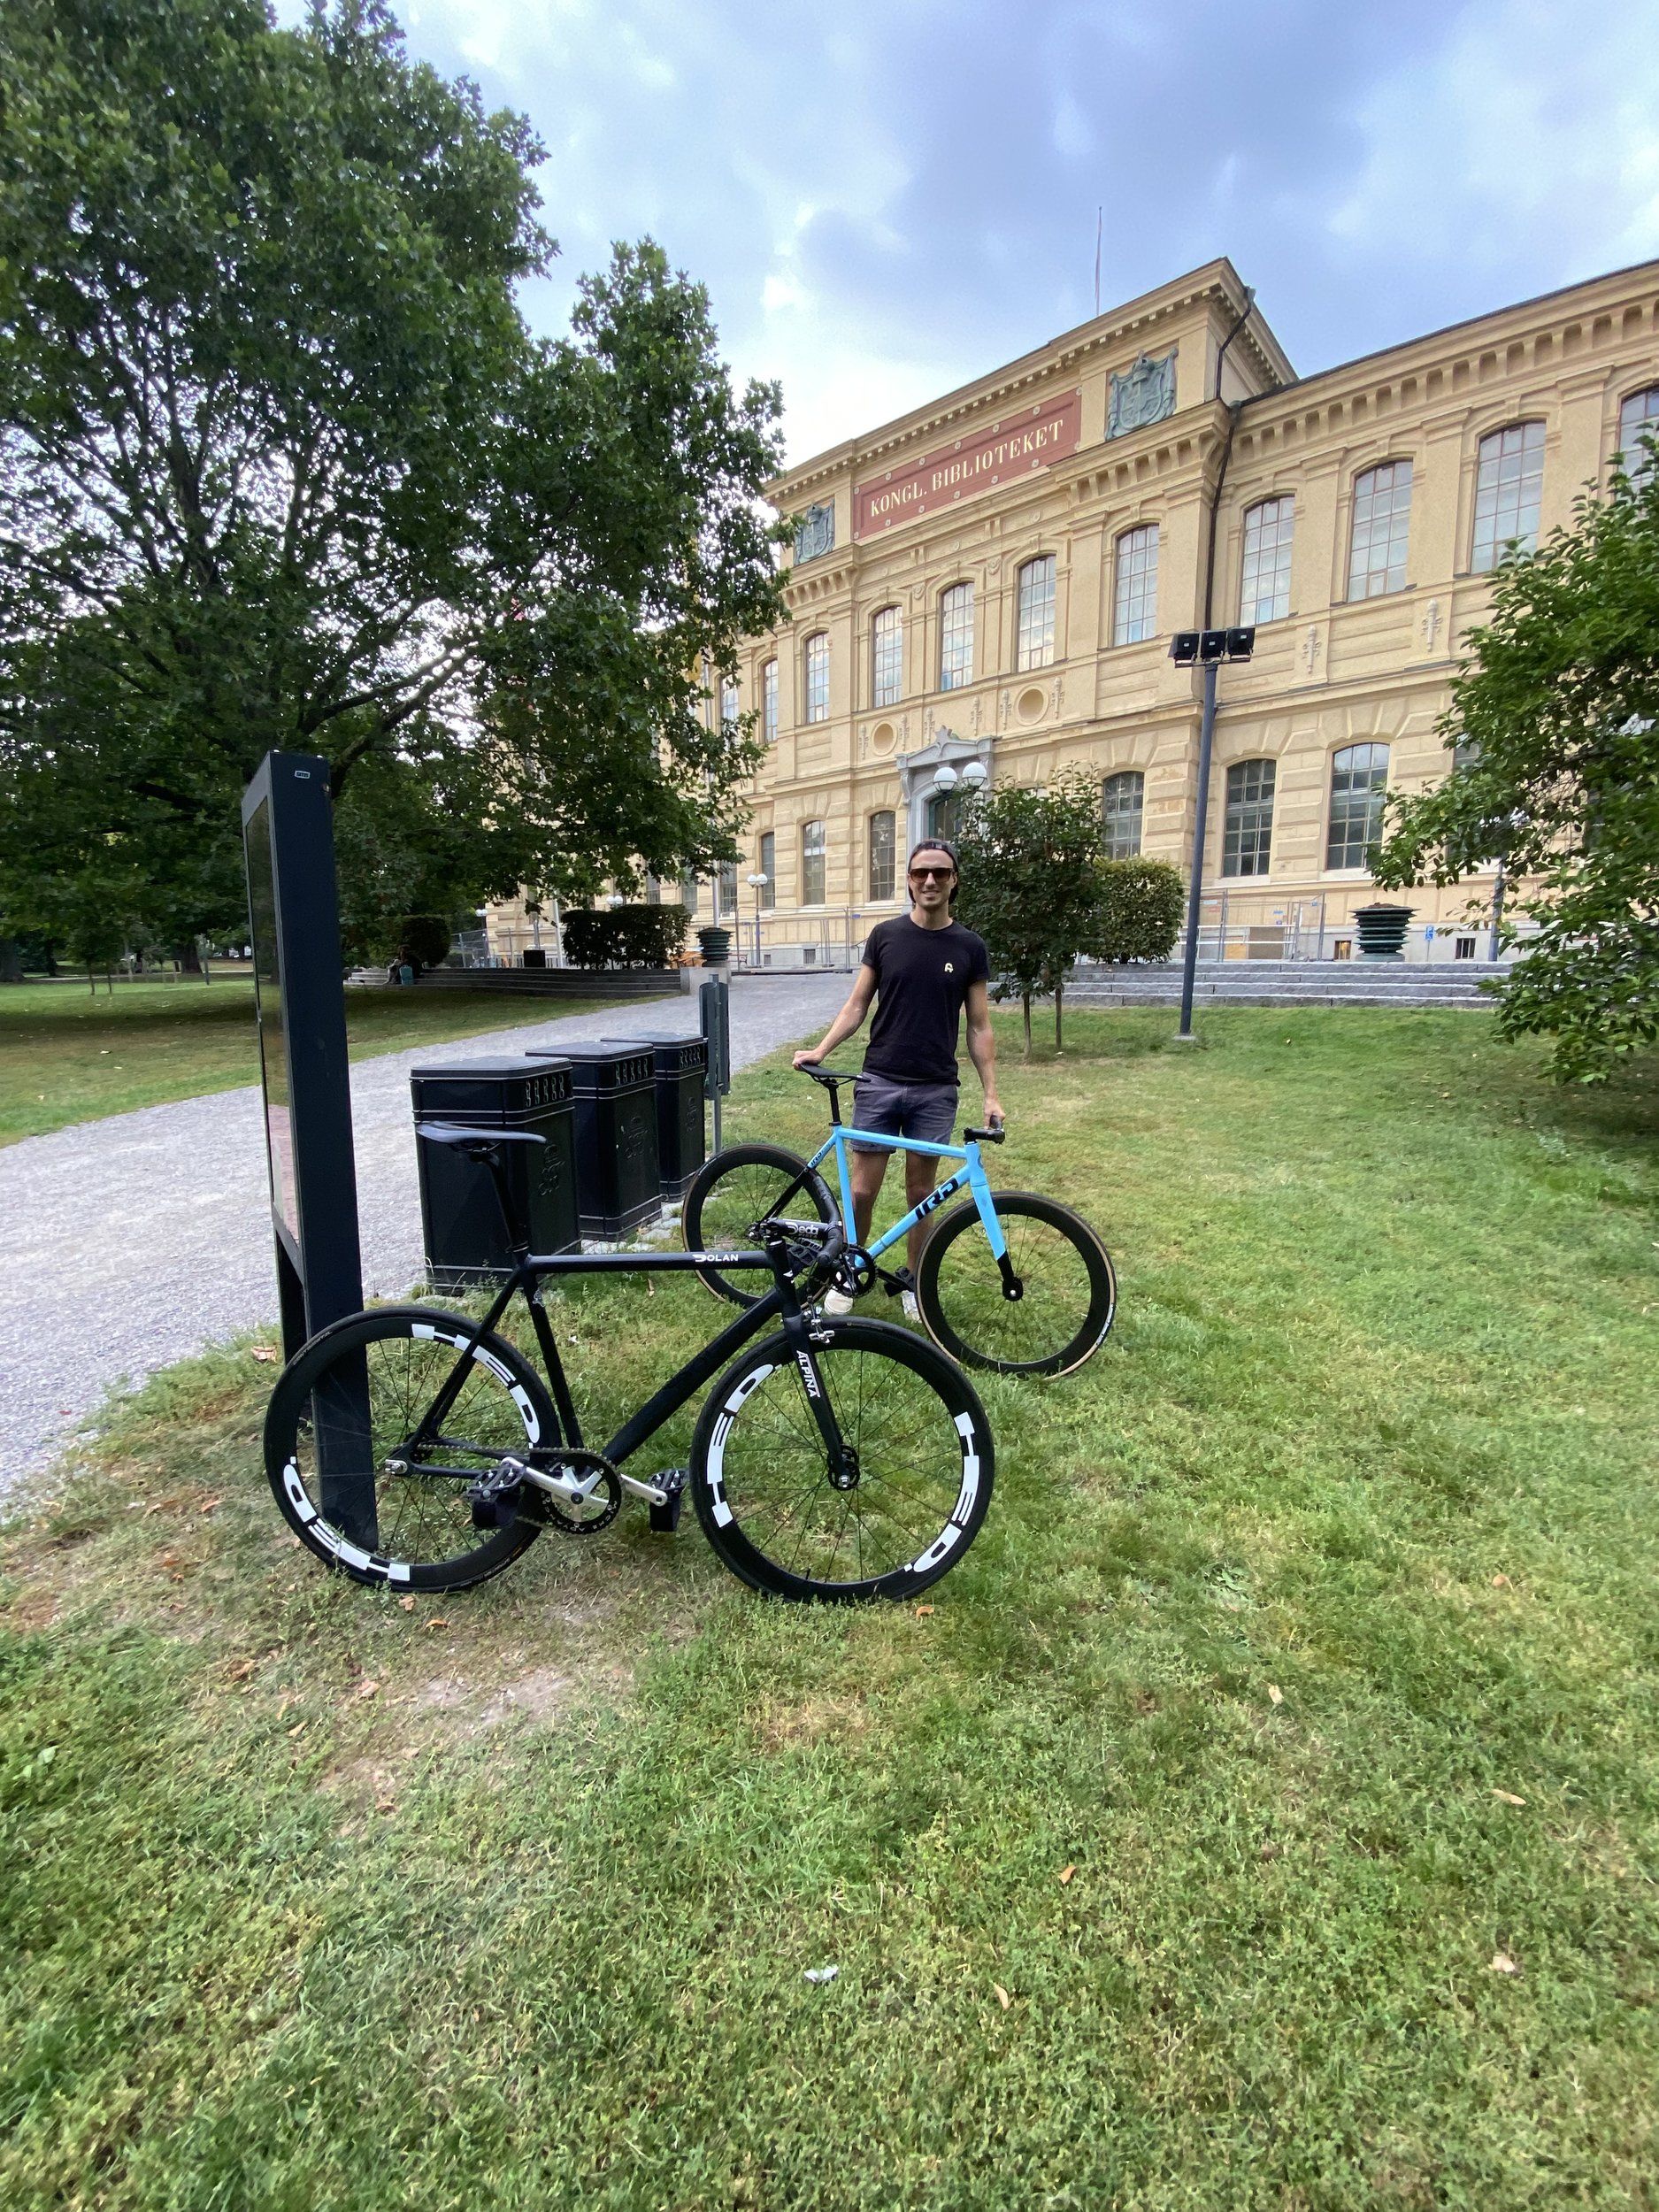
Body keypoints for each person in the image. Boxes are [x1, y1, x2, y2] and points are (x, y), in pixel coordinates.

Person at [793, 837, 1002, 1316]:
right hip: (880, 1081)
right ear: (908, 880)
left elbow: (979, 1026)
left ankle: (912, 1282)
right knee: (861, 1191)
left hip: (935, 1089)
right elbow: (857, 1005)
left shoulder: (969, 946)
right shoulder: (885, 936)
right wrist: (821, 1049)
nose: (930, 881)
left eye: (940, 873)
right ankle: (848, 1274)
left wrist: (991, 1093)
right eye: (920, 872)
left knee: (921, 1195)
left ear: (953, 881)